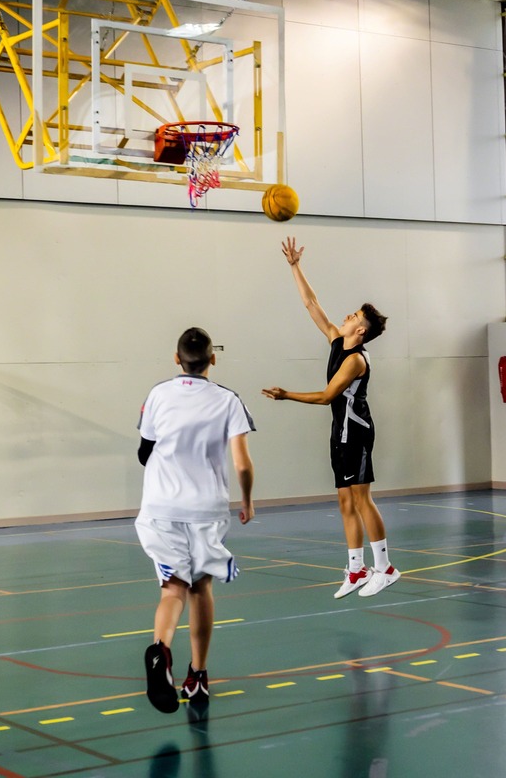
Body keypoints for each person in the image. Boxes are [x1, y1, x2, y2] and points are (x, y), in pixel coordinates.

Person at [262, 237, 399, 599]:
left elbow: (326, 397)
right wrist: (294, 265)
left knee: (362, 499)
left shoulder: (356, 361)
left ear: (362, 331)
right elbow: (311, 303)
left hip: (357, 434)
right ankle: (356, 570)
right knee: (344, 501)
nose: (347, 316)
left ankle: (384, 567)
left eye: (354, 316)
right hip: (340, 433)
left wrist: (286, 394)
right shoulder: (338, 341)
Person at [136, 327, 255, 714]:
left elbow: (145, 449)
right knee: (201, 589)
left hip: (161, 507)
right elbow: (242, 463)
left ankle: (160, 650)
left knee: (172, 589)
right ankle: (198, 676)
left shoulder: (158, 394)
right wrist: (248, 501)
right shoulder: (228, 400)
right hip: (205, 509)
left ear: (177, 359)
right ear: (212, 359)